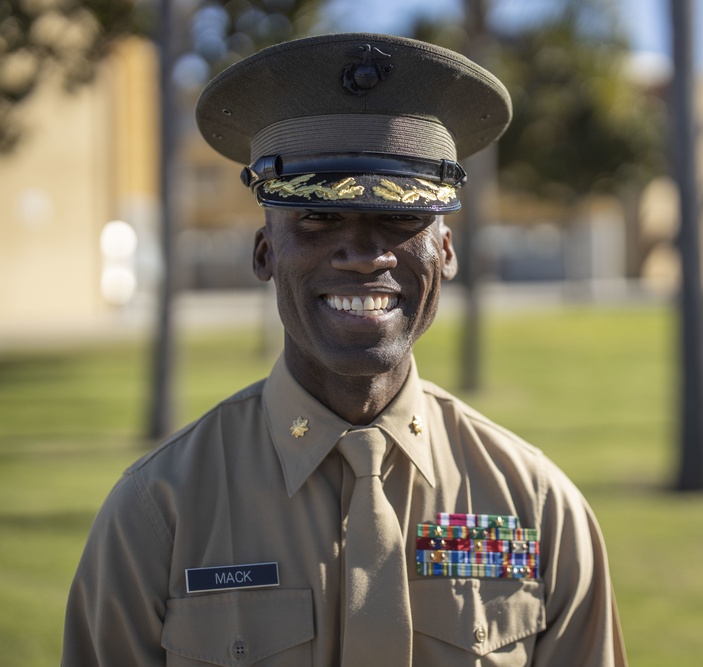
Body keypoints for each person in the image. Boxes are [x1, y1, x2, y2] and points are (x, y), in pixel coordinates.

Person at [63, 33, 627, 666]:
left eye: (401, 216)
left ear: (445, 251)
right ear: (264, 253)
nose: (365, 253)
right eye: (318, 217)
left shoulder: (536, 507)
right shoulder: (158, 512)